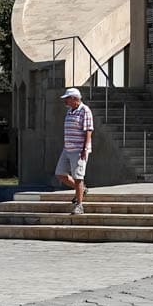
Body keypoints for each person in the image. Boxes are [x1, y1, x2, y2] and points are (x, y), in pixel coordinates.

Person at [56, 87, 94, 215]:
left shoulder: (85, 110)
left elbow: (88, 131)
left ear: (74, 99)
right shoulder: (70, 111)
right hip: (67, 148)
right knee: (60, 173)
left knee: (78, 177)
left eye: (67, 99)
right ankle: (81, 190)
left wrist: (84, 149)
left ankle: (79, 205)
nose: (65, 101)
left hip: (79, 149)